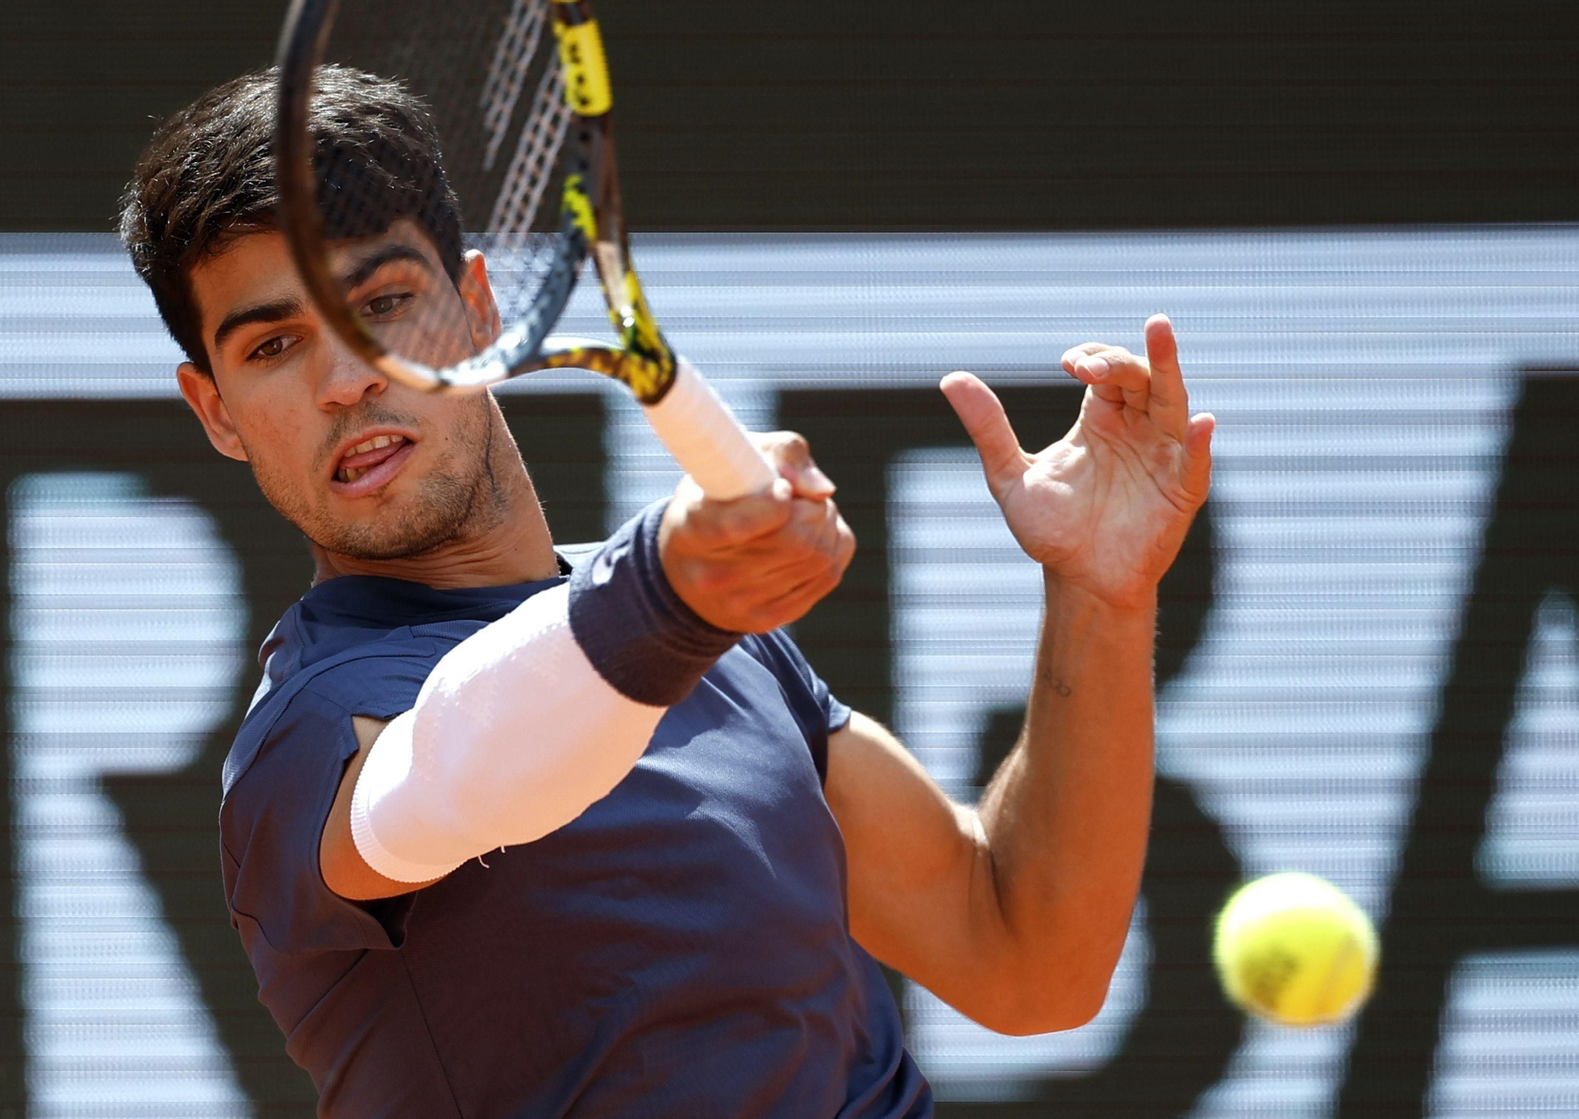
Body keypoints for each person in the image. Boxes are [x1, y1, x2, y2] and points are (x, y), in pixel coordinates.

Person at [119, 66, 1214, 1118]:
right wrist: (663, 593)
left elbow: (1025, 956)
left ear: (476, 304)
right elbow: (446, 775)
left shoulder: (728, 646)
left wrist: (1101, 596)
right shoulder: (308, 737)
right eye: (273, 346)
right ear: (214, 410)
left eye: (386, 302)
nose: (346, 378)